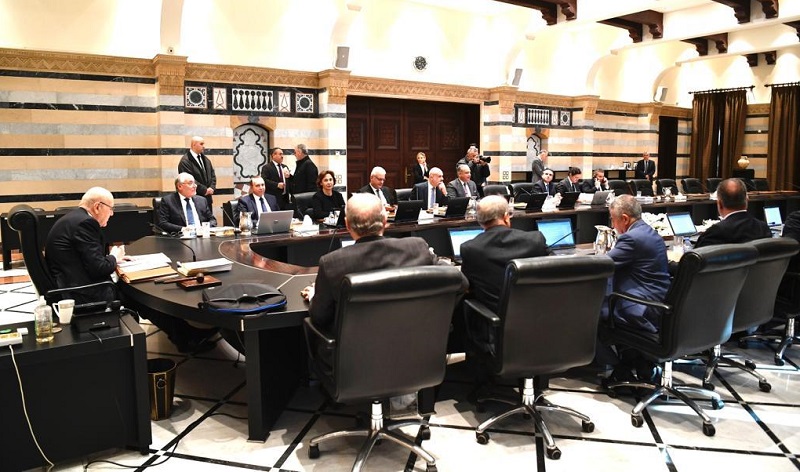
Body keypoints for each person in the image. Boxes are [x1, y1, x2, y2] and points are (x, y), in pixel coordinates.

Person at [47, 187, 217, 353]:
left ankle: (185, 335)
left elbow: (88, 260)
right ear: (98, 207)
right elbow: (99, 268)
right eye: (111, 209)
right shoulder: (86, 223)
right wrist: (114, 257)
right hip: (86, 293)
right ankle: (187, 339)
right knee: (143, 296)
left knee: (140, 293)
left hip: (75, 286)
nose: (112, 214)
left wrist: (113, 259)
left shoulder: (74, 219)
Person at [301, 193, 463, 335]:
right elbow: (461, 282)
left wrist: (315, 294)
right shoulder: (417, 247)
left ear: (347, 225)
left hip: (359, 355)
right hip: (419, 348)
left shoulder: (332, 263)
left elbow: (320, 317)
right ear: (385, 221)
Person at [599, 195, 671, 382]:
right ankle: (637, 363)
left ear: (624, 219)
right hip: (658, 303)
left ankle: (621, 369)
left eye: (612, 219)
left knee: (592, 313)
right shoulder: (648, 232)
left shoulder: (631, 238)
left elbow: (603, 265)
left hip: (641, 308)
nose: (612, 224)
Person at [460, 195, 548, 314]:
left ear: (480, 221)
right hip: (536, 314)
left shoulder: (470, 248)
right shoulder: (535, 240)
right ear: (506, 217)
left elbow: (467, 285)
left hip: (495, 317)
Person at [694, 178, 772, 247]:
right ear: (747, 201)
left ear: (719, 203)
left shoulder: (713, 234)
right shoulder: (763, 229)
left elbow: (695, 257)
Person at [178, 136, 217, 207]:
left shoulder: (206, 159)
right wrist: (204, 190)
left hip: (207, 199)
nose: (204, 146)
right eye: (201, 144)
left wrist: (212, 187)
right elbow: (188, 180)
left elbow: (212, 175)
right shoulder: (185, 161)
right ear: (194, 145)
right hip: (194, 199)